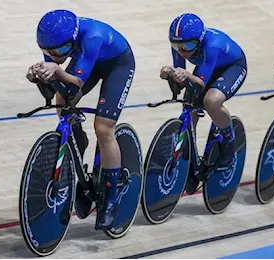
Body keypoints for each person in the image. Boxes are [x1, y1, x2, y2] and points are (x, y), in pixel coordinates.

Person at [25, 9, 136, 229]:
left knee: (104, 128)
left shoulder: (91, 36)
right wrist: (37, 76)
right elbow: (56, 87)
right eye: (49, 52)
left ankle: (111, 199)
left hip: (117, 65)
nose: (56, 55)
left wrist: (56, 68)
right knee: (60, 99)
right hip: (89, 61)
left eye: (62, 50)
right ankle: (78, 139)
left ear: (72, 39)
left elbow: (76, 81)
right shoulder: (56, 42)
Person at [159, 13, 247, 191]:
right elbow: (182, 77)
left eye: (187, 45)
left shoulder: (212, 45)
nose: (182, 50)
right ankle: (189, 158)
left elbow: (200, 82)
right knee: (189, 106)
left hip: (232, 67)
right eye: (176, 45)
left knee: (211, 101)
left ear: (199, 40)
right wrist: (170, 73)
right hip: (209, 65)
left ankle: (230, 144)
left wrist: (185, 76)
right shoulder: (181, 43)